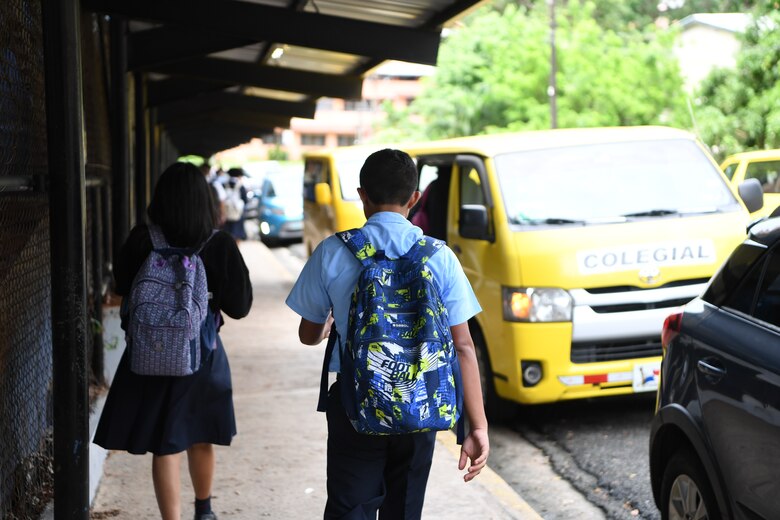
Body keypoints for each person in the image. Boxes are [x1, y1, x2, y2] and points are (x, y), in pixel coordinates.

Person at [285, 149, 489, 519]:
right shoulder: (439, 256)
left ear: (362, 195)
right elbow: (463, 346)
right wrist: (476, 426)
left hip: (353, 403)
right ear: (414, 198)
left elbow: (307, 334)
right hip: (421, 404)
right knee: (405, 509)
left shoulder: (333, 251)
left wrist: (330, 324)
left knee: (351, 507)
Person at [94, 162, 253, 520]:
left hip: (149, 355)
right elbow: (240, 306)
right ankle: (205, 510)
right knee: (199, 435)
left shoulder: (141, 239)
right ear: (205, 201)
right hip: (203, 354)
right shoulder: (220, 244)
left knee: (164, 441)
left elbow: (123, 287)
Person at [221, 167, 248, 241]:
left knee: (226, 236)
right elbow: (245, 200)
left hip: (225, 215)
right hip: (238, 214)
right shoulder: (240, 186)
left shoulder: (223, 184)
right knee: (237, 235)